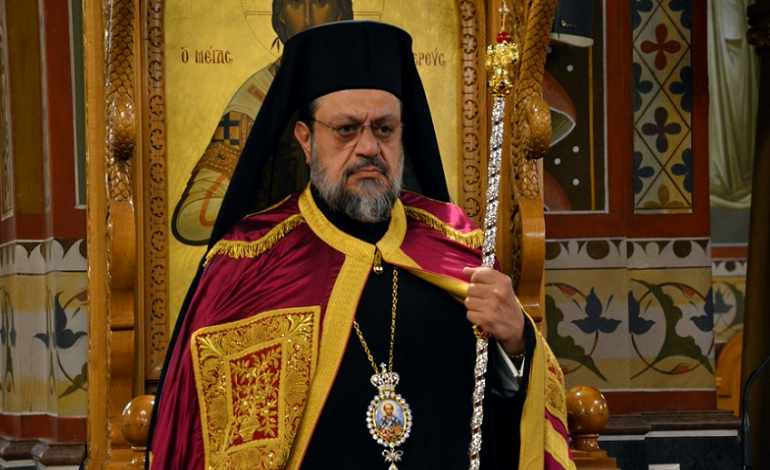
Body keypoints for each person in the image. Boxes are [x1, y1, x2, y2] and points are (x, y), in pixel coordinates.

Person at [149, 21, 574, 470]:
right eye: (346, 129)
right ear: (306, 140)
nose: (369, 147)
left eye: (385, 129)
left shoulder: (459, 247)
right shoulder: (247, 264)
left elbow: (504, 423)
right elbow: (196, 441)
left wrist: (517, 342)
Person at [171, 0, 354, 245]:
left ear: (340, 12)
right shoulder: (257, 96)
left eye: (320, 2)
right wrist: (279, 211)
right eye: (295, 3)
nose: (308, 19)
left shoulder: (370, 93)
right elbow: (194, 215)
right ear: (281, 15)